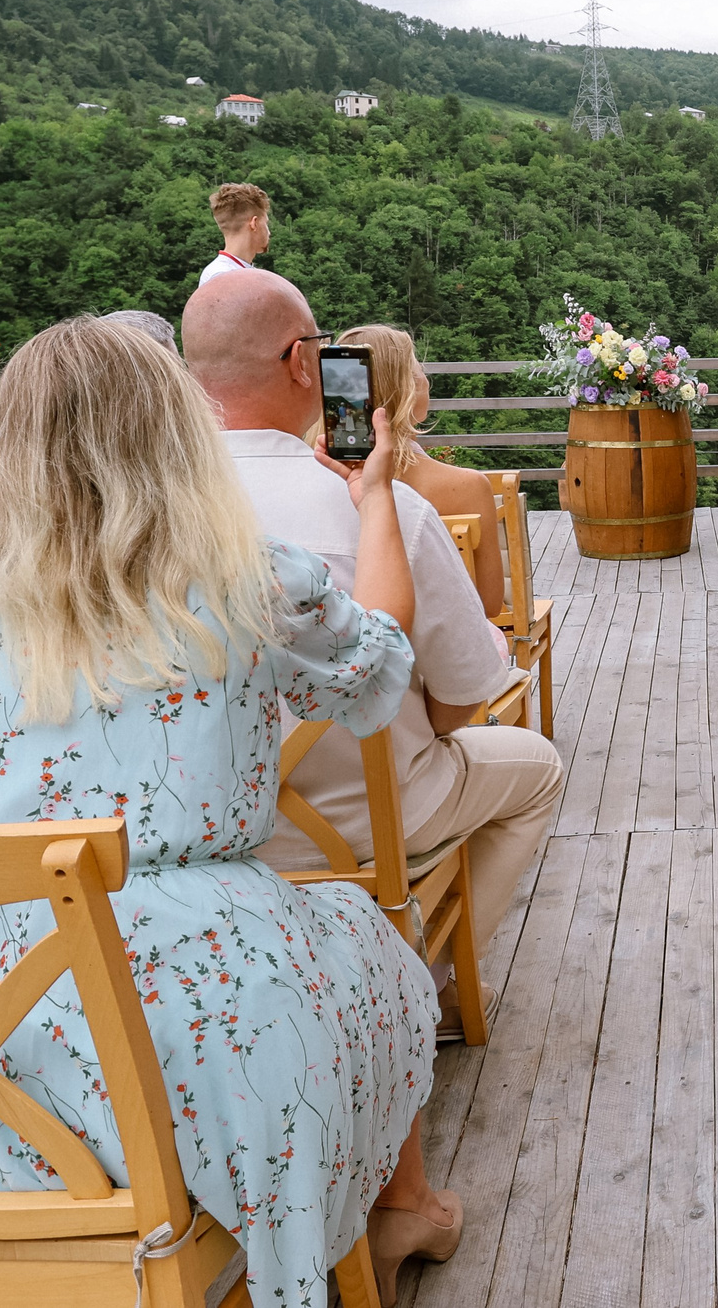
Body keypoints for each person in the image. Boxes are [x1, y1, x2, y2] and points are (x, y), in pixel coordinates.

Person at [0, 316, 458, 1308]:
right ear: (174, 432)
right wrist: (371, 500)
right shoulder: (243, 575)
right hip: (190, 990)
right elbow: (376, 669)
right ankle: (395, 1208)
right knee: (369, 940)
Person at [185, 272, 562, 970]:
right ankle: (429, 977)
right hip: (367, 822)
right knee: (537, 769)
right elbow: (460, 700)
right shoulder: (390, 511)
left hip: (204, 824)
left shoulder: (140, 516)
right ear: (302, 363)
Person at [340, 322, 507, 619]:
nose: (425, 380)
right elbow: (490, 604)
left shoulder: (320, 483)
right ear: (406, 389)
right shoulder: (469, 487)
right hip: (443, 641)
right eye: (419, 371)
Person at [199, 181, 272, 287]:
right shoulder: (224, 276)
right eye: (266, 223)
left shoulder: (221, 271)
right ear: (254, 223)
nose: (269, 232)